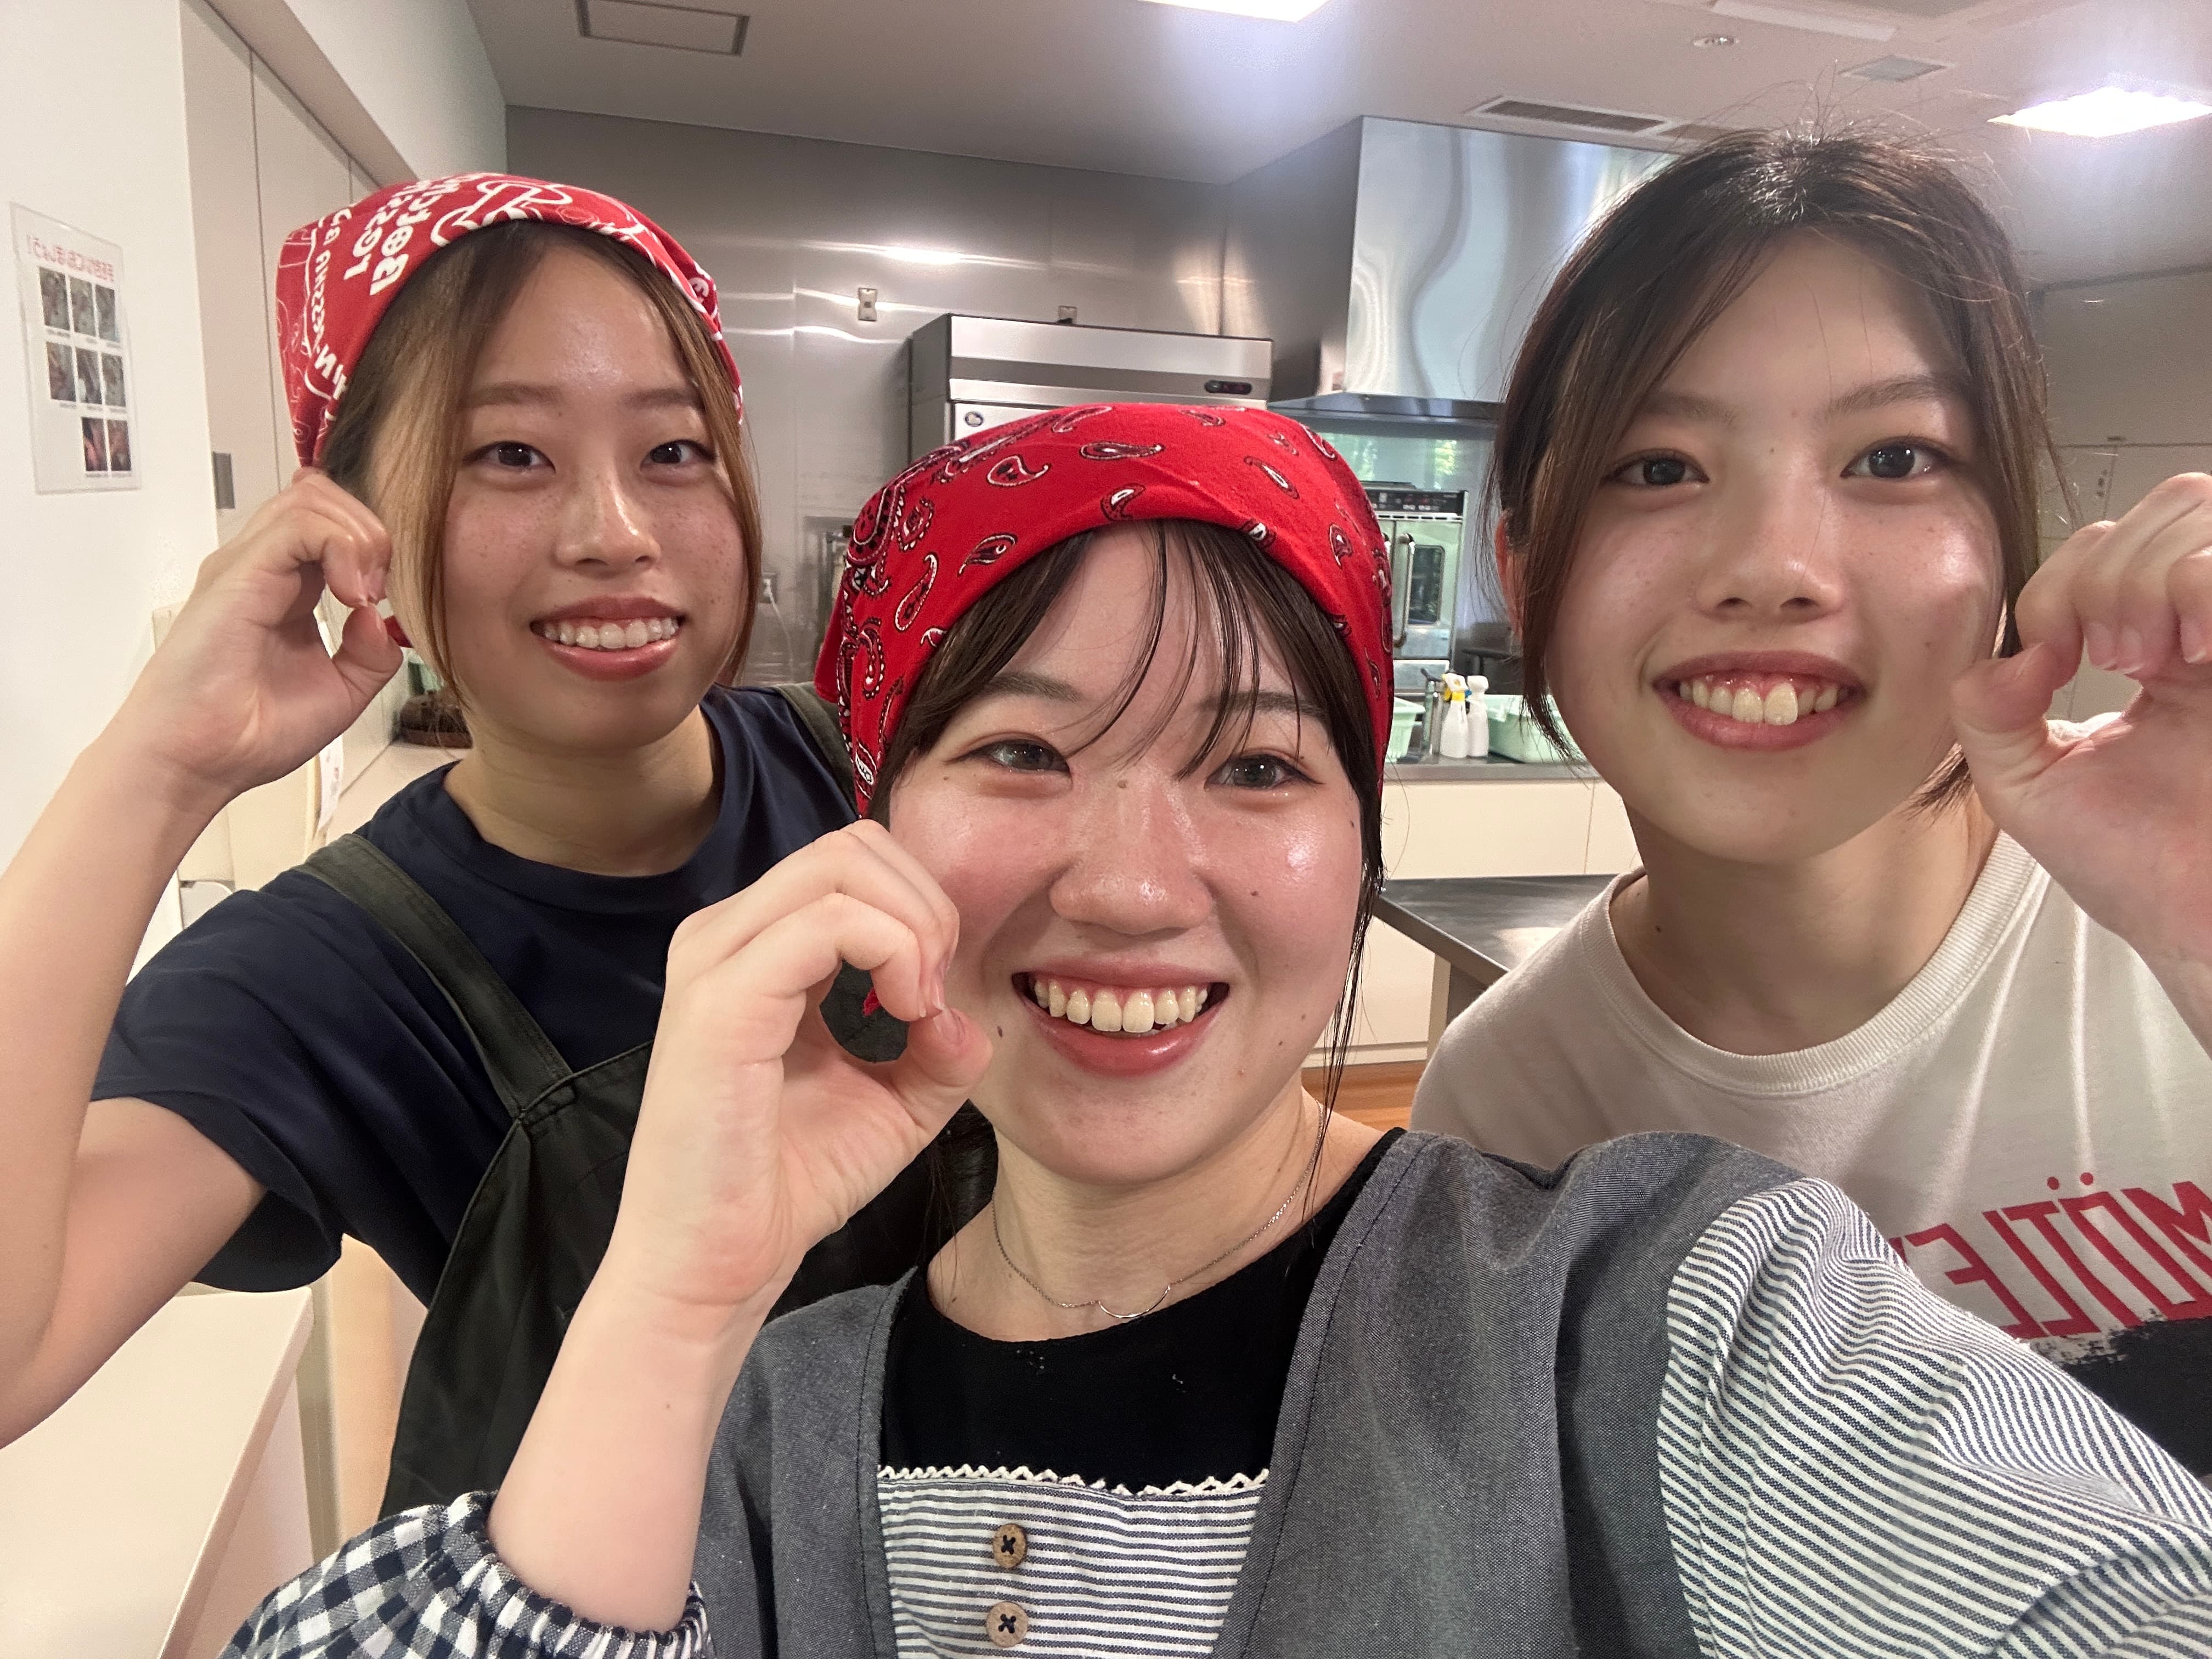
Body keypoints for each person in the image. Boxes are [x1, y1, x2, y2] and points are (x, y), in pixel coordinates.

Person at [232, 404, 2212, 1658]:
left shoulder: (1650, 1316)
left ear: (1358, 852)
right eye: (1022, 754)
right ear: (874, 826)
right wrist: (676, 1301)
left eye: (1256, 766)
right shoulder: (753, 1435)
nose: (1128, 882)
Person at [0, 173, 951, 1514]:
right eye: (510, 454)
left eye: (674, 451)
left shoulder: (870, 775)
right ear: (353, 530)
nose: (615, 534)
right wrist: (157, 768)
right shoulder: (327, 975)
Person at [1410, 129, 2212, 1475]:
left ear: (2008, 548)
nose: (1775, 567)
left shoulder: (2166, 885)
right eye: (1657, 466)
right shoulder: (1511, 1112)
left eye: (1894, 459)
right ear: (1525, 573)